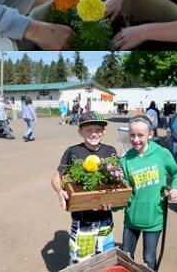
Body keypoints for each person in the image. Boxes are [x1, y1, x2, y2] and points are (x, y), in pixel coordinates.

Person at [51, 112, 117, 264]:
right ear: (80, 131)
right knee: (81, 261)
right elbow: (57, 177)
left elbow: (116, 179)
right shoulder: (73, 152)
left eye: (98, 129)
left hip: (105, 216)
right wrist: (60, 191)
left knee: (105, 258)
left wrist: (114, 197)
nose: (94, 133)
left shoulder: (110, 151)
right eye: (88, 130)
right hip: (82, 219)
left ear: (104, 131)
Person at [120, 115, 177, 270]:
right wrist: (111, 203)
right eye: (132, 135)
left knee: (149, 258)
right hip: (131, 217)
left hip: (154, 217)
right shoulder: (125, 160)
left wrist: (176, 188)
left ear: (150, 134)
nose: (135, 139)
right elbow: (123, 191)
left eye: (140, 135)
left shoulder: (161, 154)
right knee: (126, 256)